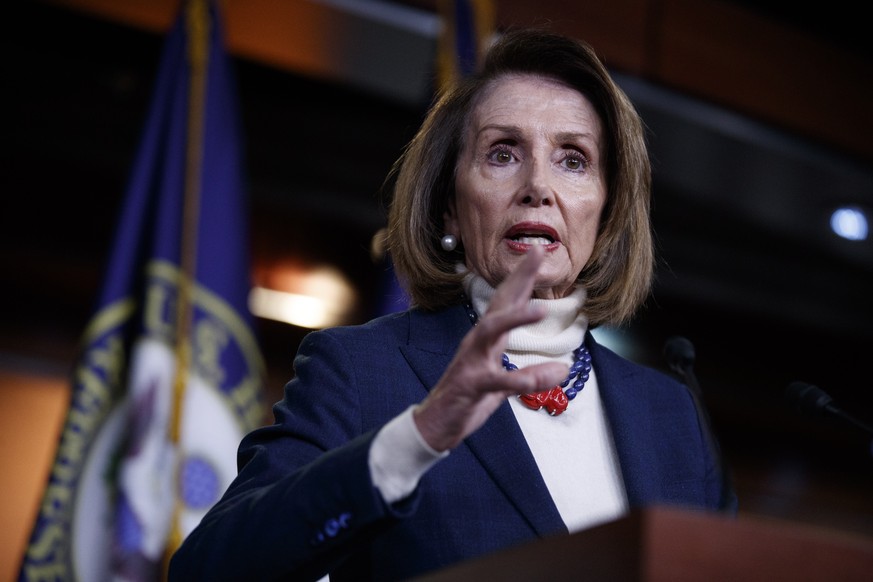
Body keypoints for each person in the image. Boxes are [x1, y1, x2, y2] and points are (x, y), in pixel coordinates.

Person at [169, 28, 736, 581]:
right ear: (448, 210)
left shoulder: (673, 417)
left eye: (573, 159)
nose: (538, 185)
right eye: (503, 153)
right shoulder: (363, 371)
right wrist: (418, 437)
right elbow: (210, 568)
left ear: (607, 214)